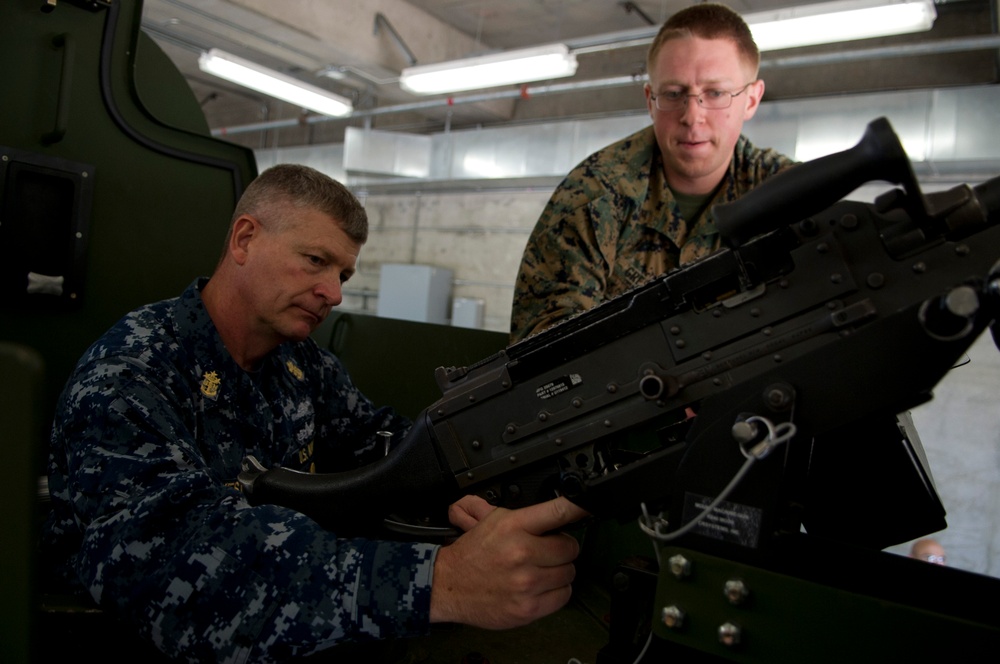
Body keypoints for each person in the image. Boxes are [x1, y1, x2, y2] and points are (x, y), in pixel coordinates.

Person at [41, 164, 588, 662]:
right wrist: (441, 583)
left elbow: (384, 444)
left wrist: (459, 490)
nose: (333, 293)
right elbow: (181, 569)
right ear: (245, 239)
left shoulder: (301, 364)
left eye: (343, 275)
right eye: (315, 261)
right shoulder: (131, 373)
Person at [510, 3, 796, 341]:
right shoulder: (593, 196)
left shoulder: (789, 196)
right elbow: (544, 352)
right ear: (650, 100)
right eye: (674, 94)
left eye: (715, 93)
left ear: (751, 99)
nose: (692, 116)